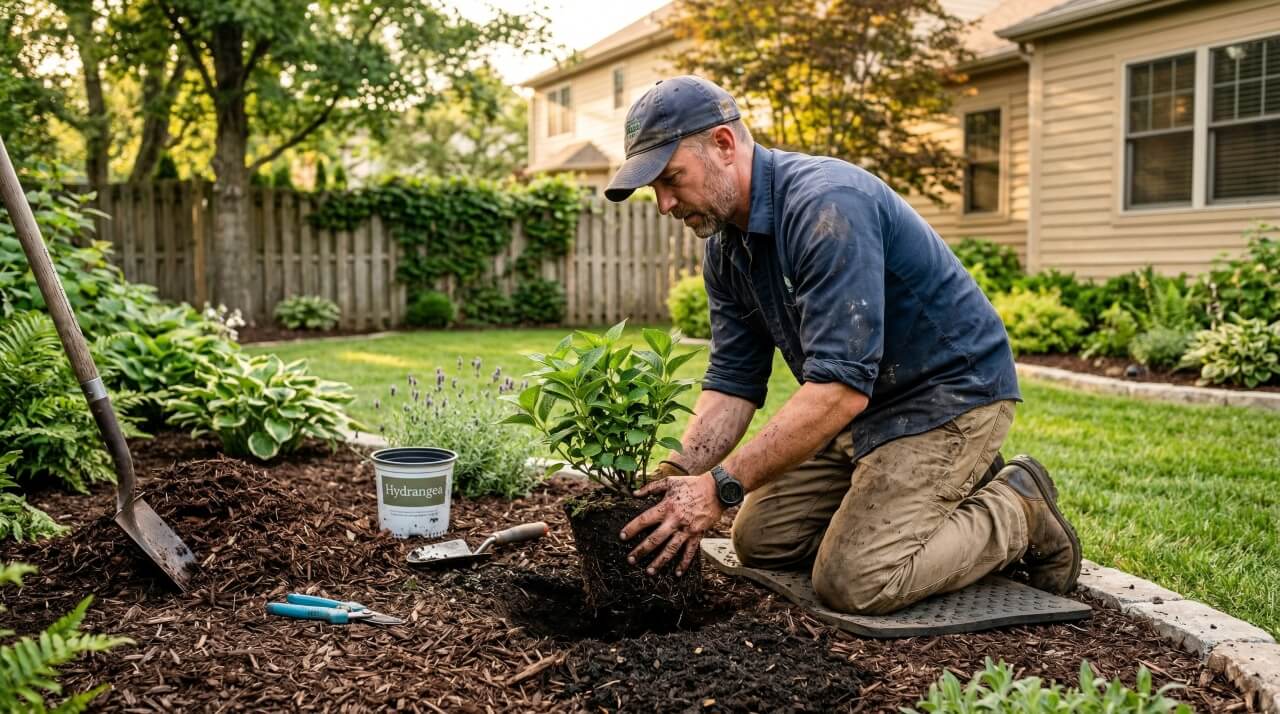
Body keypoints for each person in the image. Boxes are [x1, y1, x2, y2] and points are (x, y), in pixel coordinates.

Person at [606, 75, 1080, 615]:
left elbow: (838, 392)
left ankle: (1018, 505)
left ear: (722, 143)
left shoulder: (825, 205)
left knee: (856, 581)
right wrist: (675, 479)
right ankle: (921, 502)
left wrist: (720, 489)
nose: (665, 203)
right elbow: (733, 384)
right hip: (861, 409)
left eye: (672, 179)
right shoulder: (726, 249)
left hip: (945, 397)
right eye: (655, 190)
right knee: (760, 541)